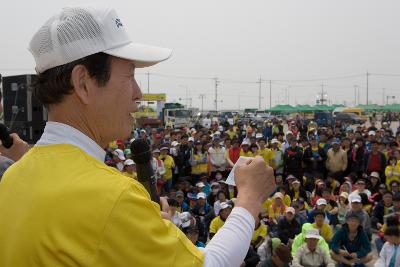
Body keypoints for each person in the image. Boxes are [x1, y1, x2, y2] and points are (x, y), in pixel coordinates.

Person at [0, 7, 276, 267]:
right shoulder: (111, 195)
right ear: (83, 83)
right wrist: (250, 197)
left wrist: (144, 232)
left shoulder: (13, 177)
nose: (138, 93)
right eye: (130, 76)